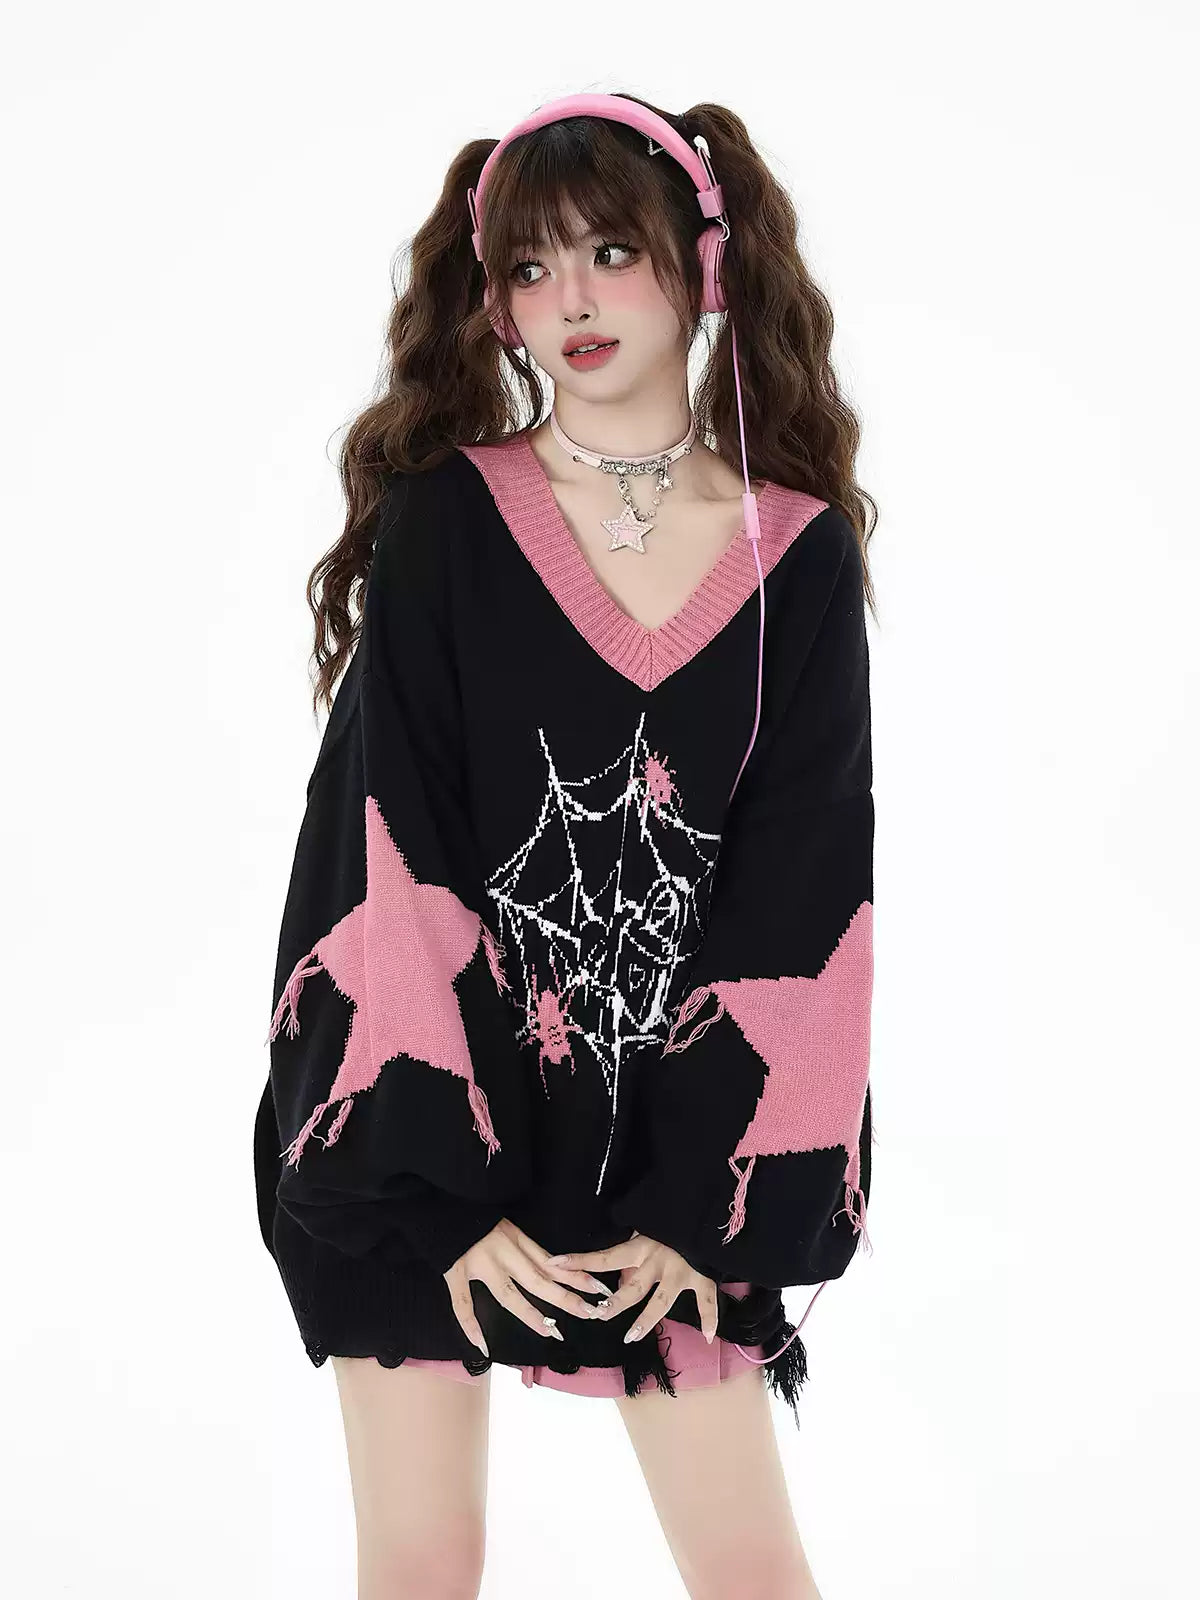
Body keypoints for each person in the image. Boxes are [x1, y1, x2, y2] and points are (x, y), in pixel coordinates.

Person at [254, 88, 878, 1600]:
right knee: (422, 1566)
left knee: (751, 1569)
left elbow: (805, 893)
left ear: (705, 266)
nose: (573, 302)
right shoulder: (445, 523)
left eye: (611, 251)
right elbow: (382, 851)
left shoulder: (794, 554)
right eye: (530, 268)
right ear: (495, 303)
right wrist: (434, 1192)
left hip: (670, 1145)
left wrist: (700, 1203)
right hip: (422, 1127)